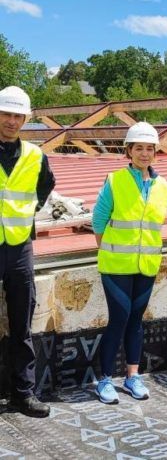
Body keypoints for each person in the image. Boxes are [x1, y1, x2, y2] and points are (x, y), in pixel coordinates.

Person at [92, 122, 167, 404]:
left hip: (146, 265)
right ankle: (104, 381)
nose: (145, 153)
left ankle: (132, 376)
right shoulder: (115, 180)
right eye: (139, 148)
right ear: (129, 150)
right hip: (116, 265)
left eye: (150, 148)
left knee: (136, 321)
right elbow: (98, 220)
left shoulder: (162, 185)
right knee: (120, 318)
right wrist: (108, 250)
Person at [0, 86, 55, 417]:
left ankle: (23, 394)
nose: (11, 121)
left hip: (19, 247)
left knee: (21, 323)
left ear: (26, 119)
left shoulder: (35, 156)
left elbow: (45, 187)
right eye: (6, 113)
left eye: (17, 116)